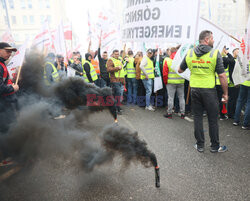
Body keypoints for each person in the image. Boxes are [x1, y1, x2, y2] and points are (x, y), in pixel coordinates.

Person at [179, 30, 228, 153]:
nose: (213, 40)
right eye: (212, 38)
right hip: (209, 91)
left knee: (198, 118)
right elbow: (222, 75)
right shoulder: (215, 54)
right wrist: (225, 93)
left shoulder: (190, 53)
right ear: (206, 40)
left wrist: (194, 67)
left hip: (195, 90)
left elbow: (180, 70)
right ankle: (215, 146)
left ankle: (200, 145)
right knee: (212, 119)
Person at [0, 42, 19, 134]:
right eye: (7, 51)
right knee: (6, 128)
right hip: (2, 104)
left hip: (5, 103)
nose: (10, 54)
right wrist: (13, 88)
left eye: (11, 52)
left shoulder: (2, 64)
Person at [163, 47, 185, 119]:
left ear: (170, 52)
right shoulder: (182, 60)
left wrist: (165, 82)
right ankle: (182, 113)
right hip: (181, 82)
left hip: (171, 82)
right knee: (181, 97)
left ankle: (169, 113)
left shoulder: (167, 60)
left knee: (170, 98)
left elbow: (165, 73)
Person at [106, 49, 126, 115]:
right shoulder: (110, 60)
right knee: (118, 95)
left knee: (117, 95)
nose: (117, 55)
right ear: (113, 54)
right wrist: (117, 68)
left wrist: (123, 80)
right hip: (114, 80)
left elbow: (122, 71)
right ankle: (117, 109)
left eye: (118, 54)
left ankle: (116, 107)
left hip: (120, 80)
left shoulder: (119, 59)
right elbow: (109, 69)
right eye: (116, 54)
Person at [233, 60, 250, 130]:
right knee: (249, 103)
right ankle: (245, 124)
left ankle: (236, 120)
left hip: (243, 82)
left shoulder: (245, 59)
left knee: (240, 101)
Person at [228, 48, 240, 119]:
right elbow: (232, 62)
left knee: (235, 98)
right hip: (233, 83)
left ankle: (234, 111)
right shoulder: (231, 60)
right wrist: (227, 53)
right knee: (232, 99)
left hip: (237, 82)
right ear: (233, 52)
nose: (238, 52)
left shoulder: (238, 60)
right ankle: (230, 113)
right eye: (237, 51)